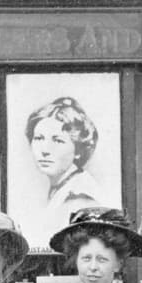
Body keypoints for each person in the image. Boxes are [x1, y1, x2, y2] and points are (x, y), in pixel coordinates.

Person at [25, 96, 103, 240]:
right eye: (39, 138)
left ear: (78, 150)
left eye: (57, 140)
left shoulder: (80, 197)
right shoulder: (60, 187)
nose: (45, 150)